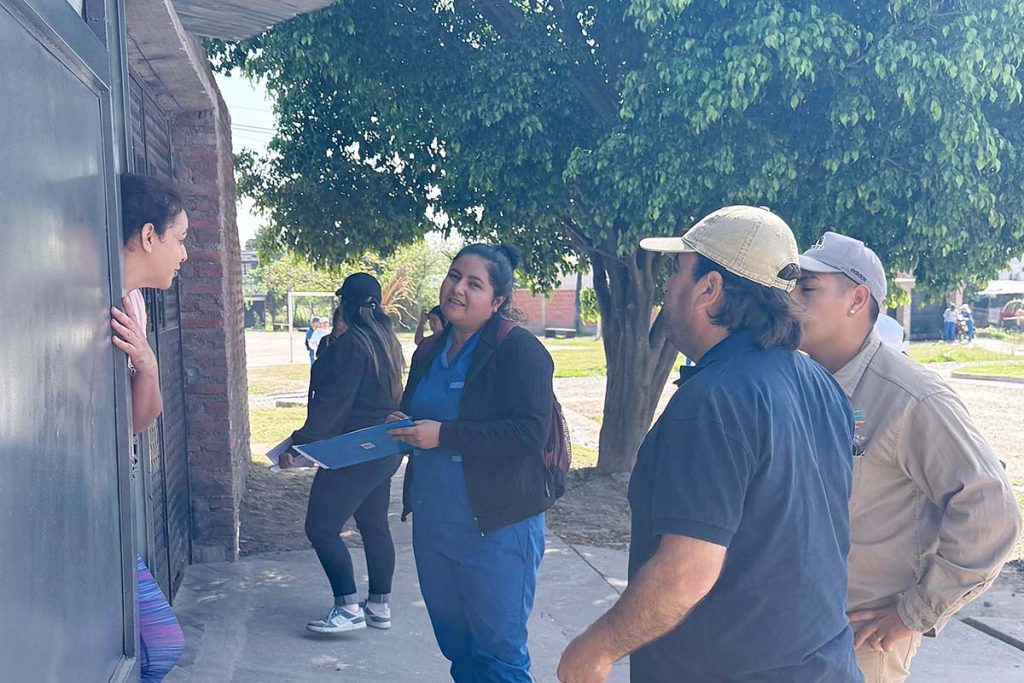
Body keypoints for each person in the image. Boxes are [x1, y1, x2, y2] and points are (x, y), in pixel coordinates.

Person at [557, 206, 861, 683]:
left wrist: (597, 648)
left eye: (676, 273)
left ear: (709, 288)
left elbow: (686, 572)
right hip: (824, 665)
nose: (667, 289)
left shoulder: (713, 400)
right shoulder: (820, 383)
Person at [793, 231, 1021, 683]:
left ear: (857, 299)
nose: (790, 299)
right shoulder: (798, 380)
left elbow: (990, 513)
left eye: (808, 288)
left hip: (859, 641)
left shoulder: (912, 398)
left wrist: (914, 612)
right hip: (787, 631)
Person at [389, 244, 555, 682]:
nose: (457, 288)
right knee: (459, 650)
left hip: (497, 528)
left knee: (499, 656)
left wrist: (444, 435)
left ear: (497, 301)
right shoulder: (428, 351)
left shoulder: (518, 350)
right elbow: (417, 412)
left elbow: (529, 433)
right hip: (434, 526)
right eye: (454, 275)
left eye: (474, 283)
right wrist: (401, 425)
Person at [284, 273, 406, 633]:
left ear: (345, 305)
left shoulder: (354, 344)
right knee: (374, 525)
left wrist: (298, 444)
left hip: (353, 449)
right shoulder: (386, 340)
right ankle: (378, 607)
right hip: (383, 447)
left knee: (321, 527)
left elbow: (334, 404)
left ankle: (348, 607)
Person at [110, 173, 189, 683]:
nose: (184, 254)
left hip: (116, 500)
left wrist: (148, 367)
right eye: (179, 239)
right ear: (147, 236)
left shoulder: (134, 303)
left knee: (159, 645)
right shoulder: (88, 298)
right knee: (160, 644)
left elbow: (142, 417)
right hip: (89, 503)